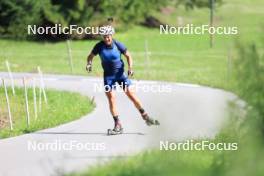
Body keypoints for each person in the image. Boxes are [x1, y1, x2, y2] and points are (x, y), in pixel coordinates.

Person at [86, 26, 159, 133]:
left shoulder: (118, 44)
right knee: (111, 98)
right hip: (108, 77)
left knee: (132, 96)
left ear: (111, 36)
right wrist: (89, 64)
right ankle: (117, 124)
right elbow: (90, 56)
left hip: (120, 75)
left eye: (108, 36)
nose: (106, 39)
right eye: (104, 37)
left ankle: (146, 116)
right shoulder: (99, 46)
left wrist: (130, 68)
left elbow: (128, 56)